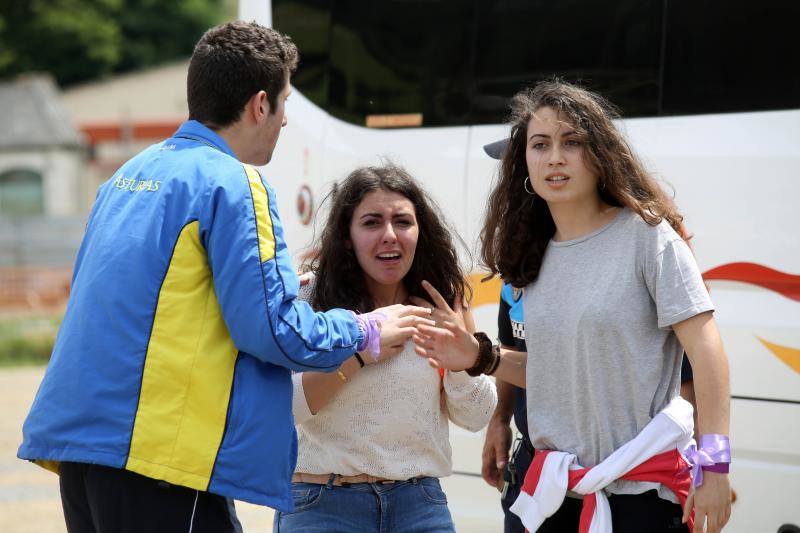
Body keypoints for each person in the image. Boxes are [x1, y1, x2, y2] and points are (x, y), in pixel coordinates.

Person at [17, 21, 431, 533]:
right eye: (284, 104)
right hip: (157, 459)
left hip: (81, 451)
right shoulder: (235, 181)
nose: (284, 123)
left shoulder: (125, 175)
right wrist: (364, 331)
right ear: (261, 105)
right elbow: (273, 328)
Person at [414, 80, 731, 533]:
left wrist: (715, 463)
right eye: (540, 145)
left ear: (600, 154)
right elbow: (553, 372)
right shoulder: (531, 255)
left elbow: (707, 352)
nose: (555, 157)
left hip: (642, 500)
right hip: (550, 497)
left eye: (572, 142)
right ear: (524, 160)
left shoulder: (648, 236)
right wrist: (479, 356)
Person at [480, 141, 700, 533]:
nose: (545, 165)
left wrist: (704, 465)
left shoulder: (641, 241)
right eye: (532, 153)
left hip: (633, 486)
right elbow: (516, 348)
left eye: (564, 147)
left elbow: (685, 376)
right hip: (541, 473)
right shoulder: (524, 252)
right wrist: (500, 419)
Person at [273, 165, 497, 533]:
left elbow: (475, 417)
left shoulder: (442, 303)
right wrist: (362, 353)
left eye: (403, 222)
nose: (390, 235)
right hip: (323, 505)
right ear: (347, 236)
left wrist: (460, 361)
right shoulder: (309, 300)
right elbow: (284, 407)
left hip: (420, 507)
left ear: (419, 232)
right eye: (372, 223)